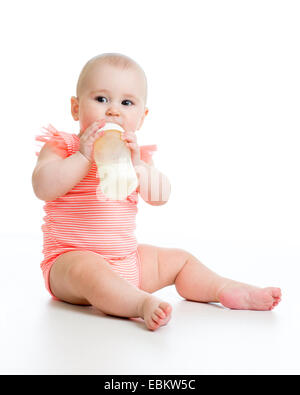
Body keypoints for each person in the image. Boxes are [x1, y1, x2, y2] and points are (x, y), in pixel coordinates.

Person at [32, 53, 281, 331]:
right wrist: (82, 156)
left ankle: (224, 288)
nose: (113, 110)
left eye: (126, 103)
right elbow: (43, 187)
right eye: (101, 99)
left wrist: (139, 166)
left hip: (128, 262)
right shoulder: (63, 147)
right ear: (76, 108)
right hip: (68, 264)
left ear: (141, 117)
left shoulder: (136, 157)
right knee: (90, 270)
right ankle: (139, 304)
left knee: (180, 260)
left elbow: (160, 197)